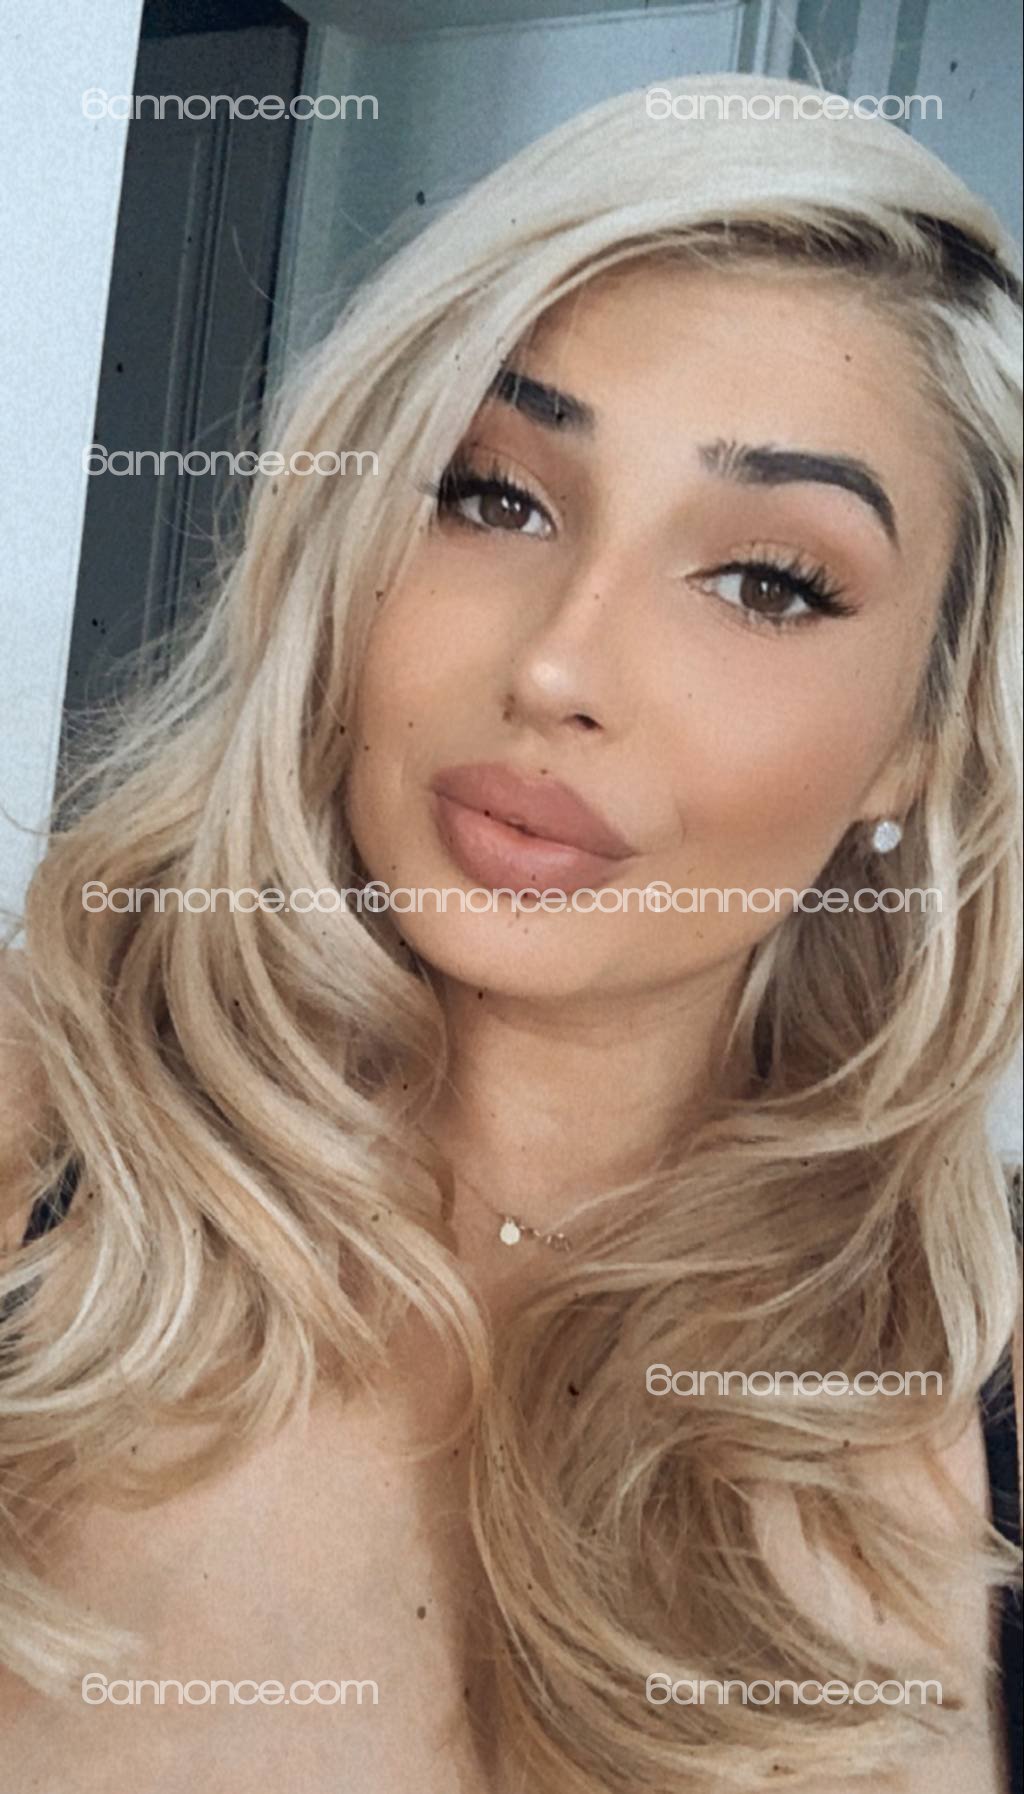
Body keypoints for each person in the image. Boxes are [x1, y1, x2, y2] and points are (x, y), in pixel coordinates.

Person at [0, 72, 1020, 1794]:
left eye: (766, 582)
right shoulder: (39, 1138)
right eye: (494, 495)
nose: (557, 664)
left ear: (917, 739)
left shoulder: (985, 1396)